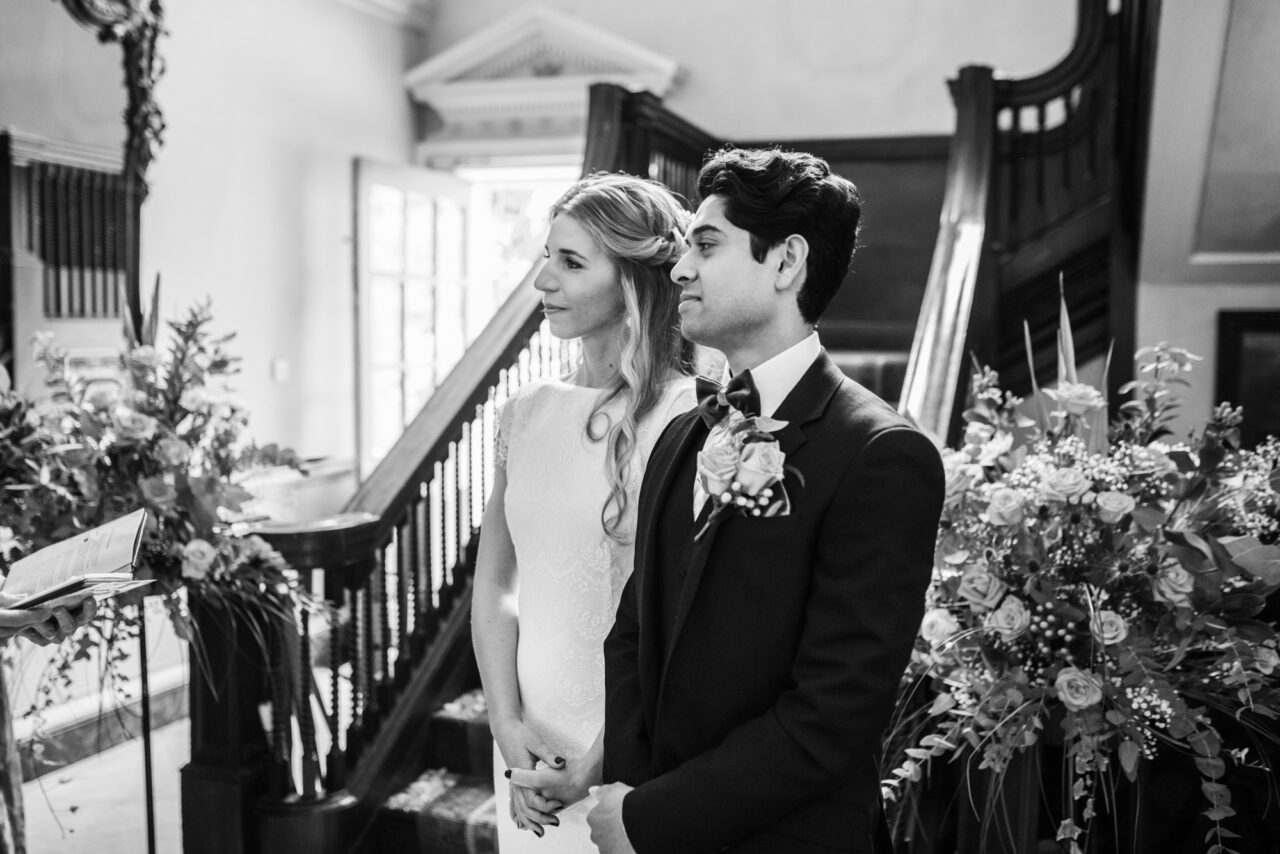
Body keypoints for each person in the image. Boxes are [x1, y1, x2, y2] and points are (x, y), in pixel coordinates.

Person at [588, 148, 945, 854]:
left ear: (785, 264)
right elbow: (635, 632)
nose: (680, 268)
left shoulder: (882, 456)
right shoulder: (682, 435)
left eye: (706, 244)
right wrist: (631, 801)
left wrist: (655, 818)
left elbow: (834, 712)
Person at [471, 173, 697, 852]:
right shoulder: (524, 413)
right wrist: (506, 727)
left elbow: (685, 621)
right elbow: (496, 586)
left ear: (633, 279)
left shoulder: (687, 417)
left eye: (571, 262)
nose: (542, 279)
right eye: (547, 255)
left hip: (631, 750)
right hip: (526, 743)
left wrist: (602, 762)